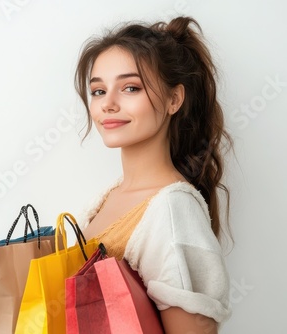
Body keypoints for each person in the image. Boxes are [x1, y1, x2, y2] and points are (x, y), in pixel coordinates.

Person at [77, 16, 233, 333]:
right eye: (98, 91)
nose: (108, 104)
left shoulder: (173, 209)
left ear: (174, 99)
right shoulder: (109, 197)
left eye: (130, 88)